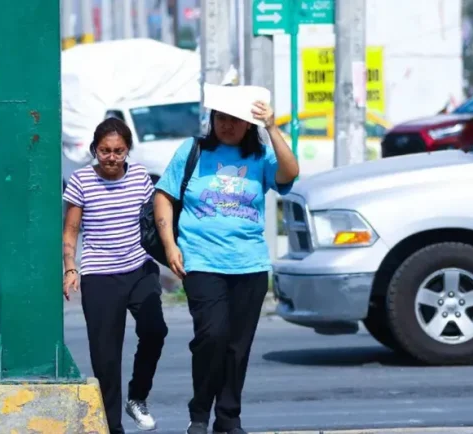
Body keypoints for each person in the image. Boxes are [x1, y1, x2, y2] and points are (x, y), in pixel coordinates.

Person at [153, 88, 299, 434]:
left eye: (235, 119)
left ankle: (228, 418)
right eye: (221, 118)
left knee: (238, 346)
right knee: (212, 336)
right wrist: (170, 246)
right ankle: (200, 413)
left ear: (248, 124)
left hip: (249, 266)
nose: (227, 125)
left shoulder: (261, 156)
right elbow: (164, 195)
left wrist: (272, 128)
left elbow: (289, 174)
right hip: (201, 262)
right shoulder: (193, 150)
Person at [62, 117, 168, 434]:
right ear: (95, 150)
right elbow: (71, 230)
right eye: (105, 150)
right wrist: (70, 267)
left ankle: (137, 397)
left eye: (118, 151)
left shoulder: (138, 176)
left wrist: (172, 254)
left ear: (127, 151)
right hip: (100, 276)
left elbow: (154, 220)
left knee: (155, 330)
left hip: (139, 268)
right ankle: (113, 426)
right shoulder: (81, 181)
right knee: (106, 357)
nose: (111, 157)